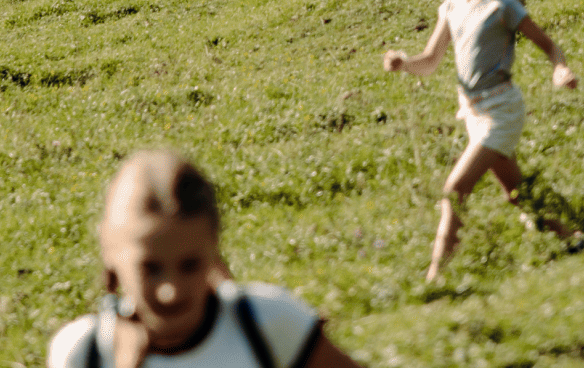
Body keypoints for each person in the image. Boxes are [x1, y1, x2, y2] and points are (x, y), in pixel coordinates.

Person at [382, 0, 580, 282]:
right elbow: (430, 61)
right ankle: (570, 239)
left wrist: (560, 70)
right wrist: (403, 63)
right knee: (516, 194)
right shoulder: (451, 6)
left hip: (501, 111)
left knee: (453, 191)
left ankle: (435, 279)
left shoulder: (503, 7)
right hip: (474, 114)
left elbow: (550, 45)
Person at [48, 149, 365, 368]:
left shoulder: (267, 323)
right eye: (150, 268)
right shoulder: (84, 352)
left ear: (214, 248)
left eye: (190, 265)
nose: (170, 290)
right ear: (110, 252)